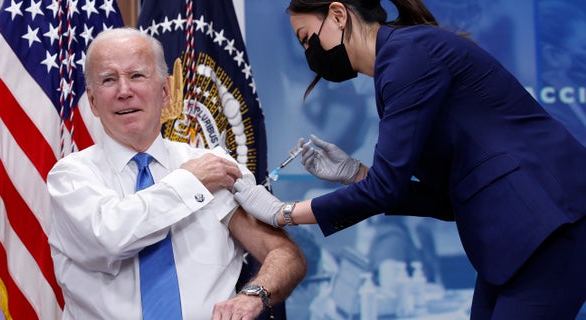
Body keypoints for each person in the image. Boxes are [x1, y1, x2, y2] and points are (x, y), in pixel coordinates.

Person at [232, 0, 586, 318]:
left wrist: (283, 214)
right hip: (520, 238)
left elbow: (384, 189)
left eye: (308, 38)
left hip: (550, 223)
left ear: (339, 15)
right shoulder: (401, 61)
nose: (311, 53)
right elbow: (447, 201)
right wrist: (356, 173)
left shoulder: (407, 57)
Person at [46, 27, 306, 320]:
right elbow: (111, 235)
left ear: (166, 91)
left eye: (136, 76)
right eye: (108, 80)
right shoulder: (70, 177)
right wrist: (189, 182)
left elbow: (285, 254)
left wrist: (254, 294)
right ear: (93, 102)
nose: (124, 91)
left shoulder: (214, 167)